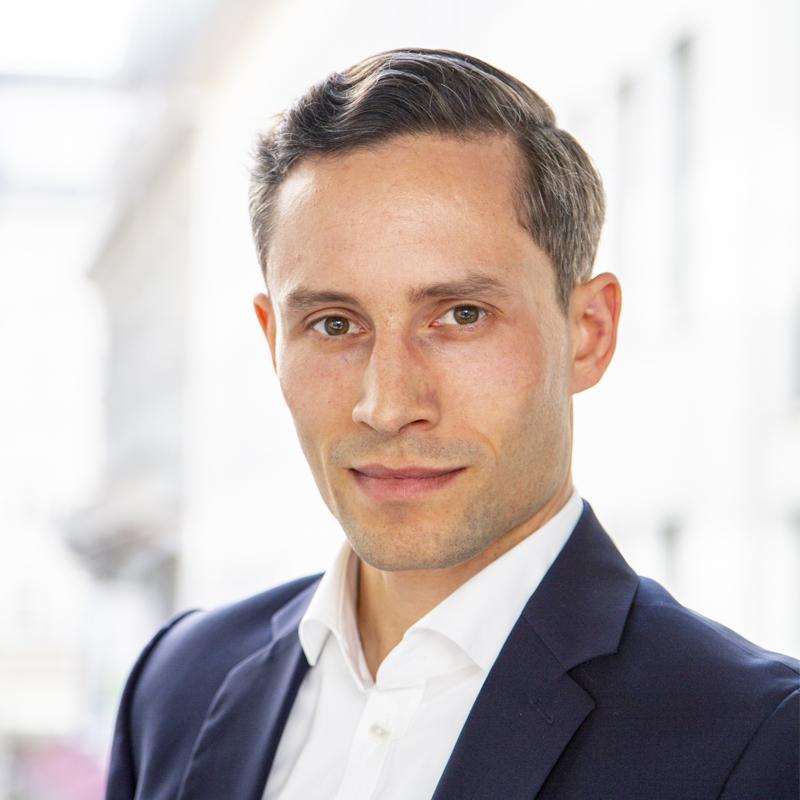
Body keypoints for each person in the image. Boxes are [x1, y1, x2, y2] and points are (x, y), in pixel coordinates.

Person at [105, 48, 799, 800]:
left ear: (589, 333)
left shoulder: (758, 740)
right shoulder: (176, 684)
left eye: (462, 315)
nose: (388, 404)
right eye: (335, 324)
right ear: (273, 340)